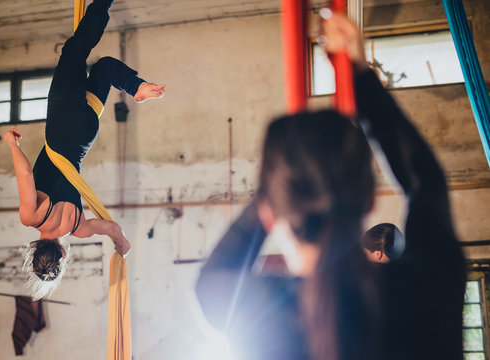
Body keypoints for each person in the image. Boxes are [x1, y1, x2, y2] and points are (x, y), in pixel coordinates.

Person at [195, 12, 465, 360]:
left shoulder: (264, 315)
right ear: (369, 200)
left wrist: (276, 186)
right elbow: (425, 183)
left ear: (273, 212)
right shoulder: (429, 289)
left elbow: (424, 183)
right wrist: (360, 76)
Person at [3, 0, 165, 300]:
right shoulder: (32, 216)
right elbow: (25, 173)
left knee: (103, 68)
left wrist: (122, 246)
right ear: (34, 250)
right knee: (74, 52)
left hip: (85, 134)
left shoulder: (79, 228)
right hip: (62, 125)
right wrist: (12, 144)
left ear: (63, 255)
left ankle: (135, 87)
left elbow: (114, 230)